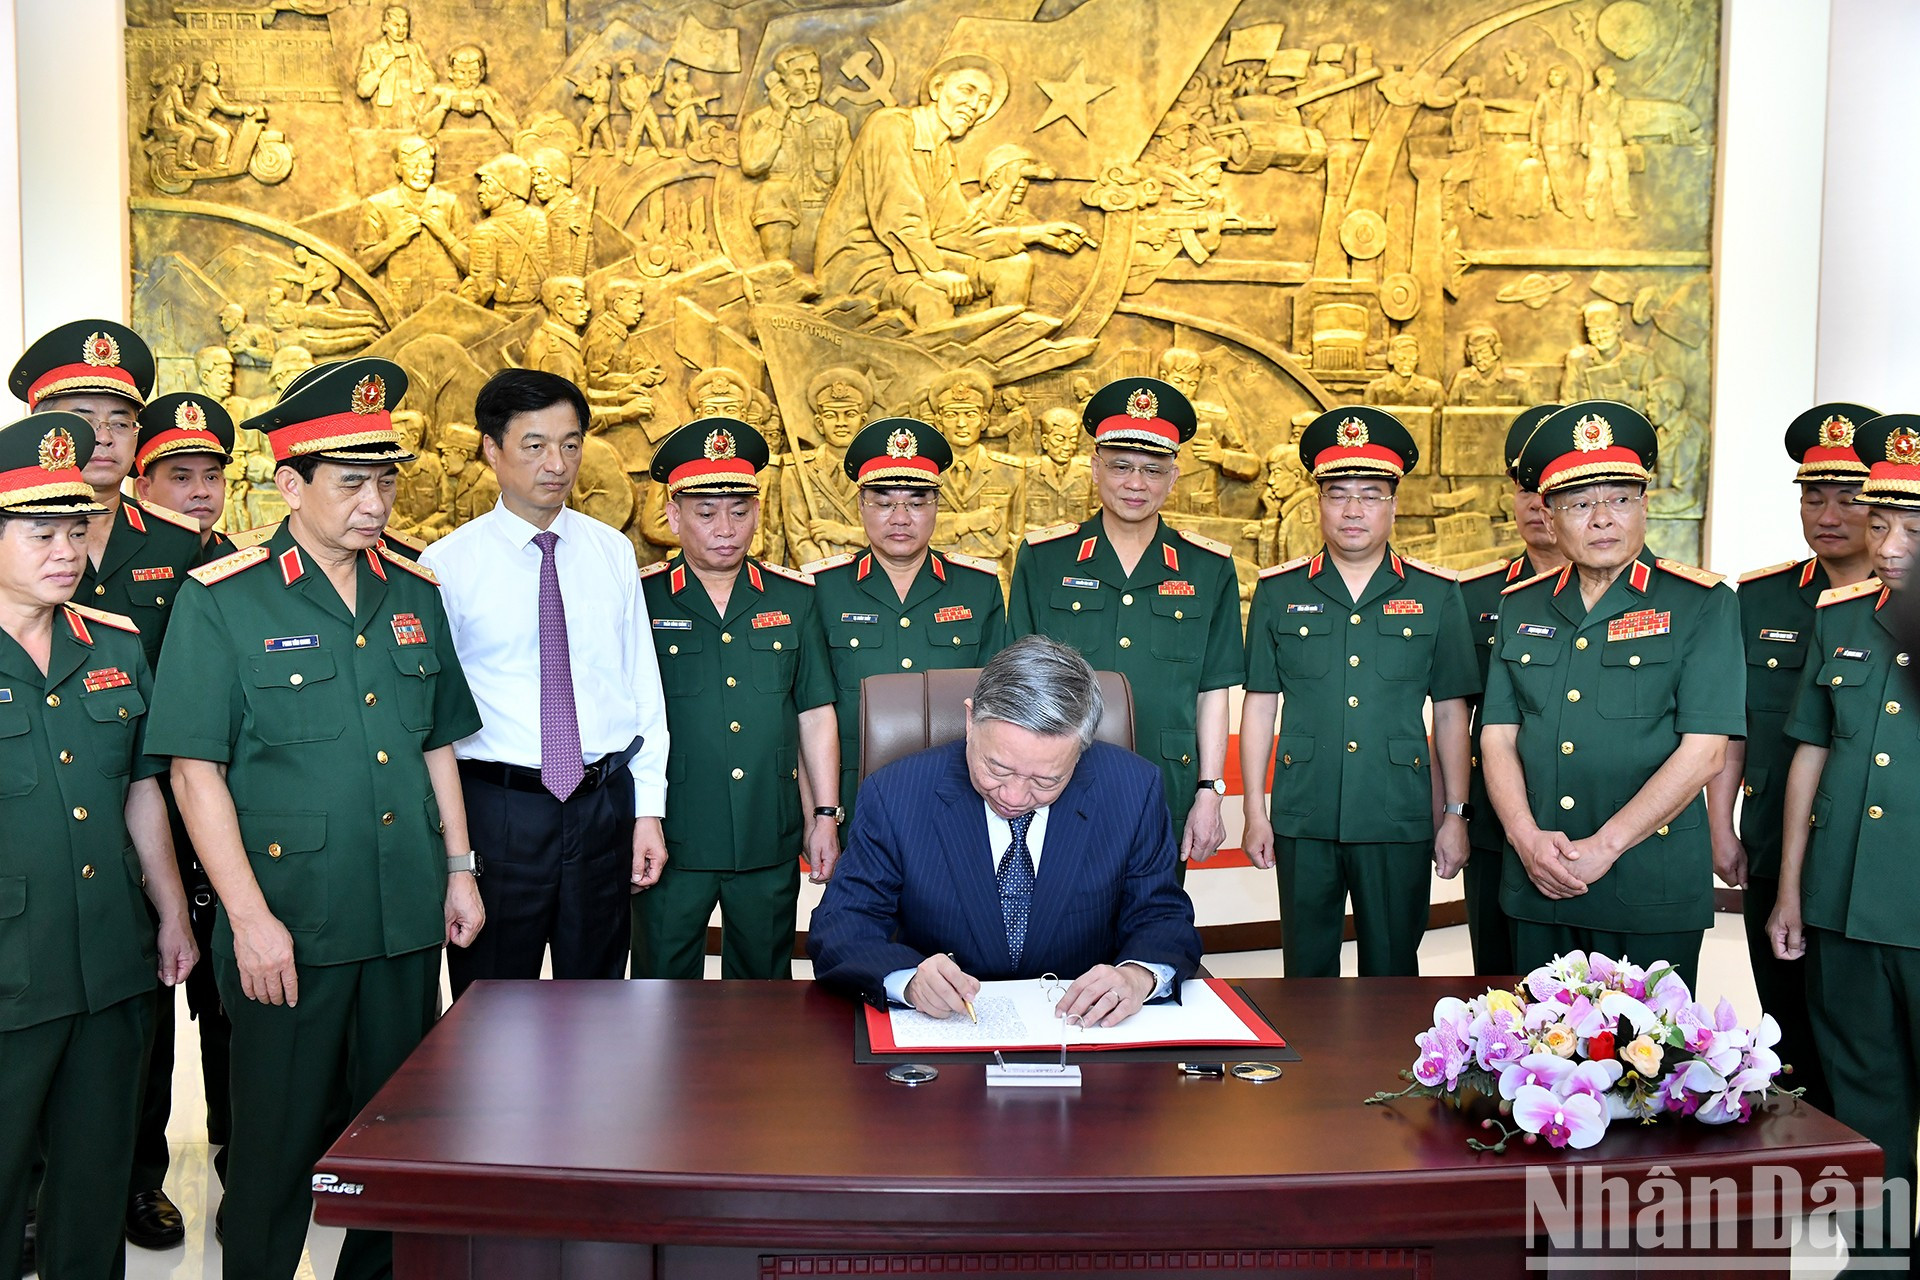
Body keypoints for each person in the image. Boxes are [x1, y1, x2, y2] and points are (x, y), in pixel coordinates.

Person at [146, 356, 485, 1280]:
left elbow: (435, 745)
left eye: (384, 480)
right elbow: (192, 772)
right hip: (290, 924)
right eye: (351, 483)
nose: (374, 503)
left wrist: (459, 869)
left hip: (403, 915)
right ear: (290, 482)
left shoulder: (416, 594)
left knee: (396, 1144)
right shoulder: (224, 599)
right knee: (276, 1150)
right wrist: (250, 922)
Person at [9, 320, 203, 1251]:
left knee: (112, 1111)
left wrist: (172, 901)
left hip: (128, 901)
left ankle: (127, 1188)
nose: (65, 549)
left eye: (74, 529)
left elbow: (148, 774)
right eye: (40, 531)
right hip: (19, 932)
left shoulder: (137, 610)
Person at [421, 370, 669, 997]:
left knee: (600, 1001)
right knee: (493, 1007)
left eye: (570, 443)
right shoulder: (445, 567)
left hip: (601, 804)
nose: (556, 463)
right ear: (491, 449)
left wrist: (647, 811)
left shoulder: (612, 551)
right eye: (534, 445)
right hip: (499, 811)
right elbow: (432, 720)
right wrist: (455, 856)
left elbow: (642, 687)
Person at [1481, 400, 1743, 992]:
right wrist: (1525, 839)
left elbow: (1705, 751)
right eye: (1578, 503)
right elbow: (1497, 735)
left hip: (1648, 885)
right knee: (1533, 1067)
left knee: (1650, 1071)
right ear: (1548, 516)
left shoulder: (1701, 603)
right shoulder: (1521, 605)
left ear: (1645, 506)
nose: (1602, 518)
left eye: (1620, 498)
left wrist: (1606, 846)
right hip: (1539, 880)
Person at [808, 637, 1202, 1022]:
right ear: (969, 719)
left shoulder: (1132, 790)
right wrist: (908, 981)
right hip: (946, 1037)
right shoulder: (896, 794)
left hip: (1081, 1035)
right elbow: (842, 925)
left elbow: (1161, 915)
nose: (1014, 796)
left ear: (1081, 752)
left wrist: (1138, 976)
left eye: (1046, 780)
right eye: (997, 769)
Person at [1240, 406, 1479, 977]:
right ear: (1318, 502)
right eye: (1338, 493)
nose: (1353, 510)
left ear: (1394, 504)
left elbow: (1451, 715)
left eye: (1370, 494)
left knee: (1394, 971)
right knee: (1305, 970)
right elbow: (1259, 705)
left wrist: (1455, 815)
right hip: (1305, 811)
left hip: (1397, 813)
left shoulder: (1436, 594)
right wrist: (1254, 809)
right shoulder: (1278, 592)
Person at [1770, 415, 1920, 1264]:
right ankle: (1876, 1261)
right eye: (1882, 521)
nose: (1888, 543)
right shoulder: (1841, 618)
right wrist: (1791, 888)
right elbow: (1810, 759)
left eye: (1912, 529)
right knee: (1867, 1104)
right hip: (1844, 903)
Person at [1708, 403, 1876, 1118]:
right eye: (1814, 496)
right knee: (1787, 1019)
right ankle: (1807, 1171)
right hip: (1776, 838)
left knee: (1865, 1035)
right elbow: (1729, 725)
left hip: (1873, 853)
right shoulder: (1760, 598)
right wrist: (1722, 826)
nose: (1829, 513)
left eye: (1849, 497)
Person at [1009, 377, 1243, 875]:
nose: (1135, 484)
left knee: (1153, 929)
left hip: (1167, 786)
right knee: (1059, 936)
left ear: (1173, 478)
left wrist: (1209, 790)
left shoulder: (1208, 569)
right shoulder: (1045, 559)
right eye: (1121, 466)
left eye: (1152, 470)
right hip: (1062, 783)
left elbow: (1213, 691)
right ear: (1095, 468)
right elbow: (1018, 687)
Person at [637, 417, 839, 980]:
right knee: (659, 992)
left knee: (763, 993)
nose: (726, 528)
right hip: (671, 836)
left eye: (740, 510)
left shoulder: (795, 599)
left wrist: (823, 815)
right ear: (674, 516)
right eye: (705, 513)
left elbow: (815, 713)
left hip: (765, 835)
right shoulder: (640, 600)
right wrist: (636, 819)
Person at [127, 390, 242, 1214]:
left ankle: (246, 1159)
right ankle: (138, 1180)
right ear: (141, 480)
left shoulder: (241, 568)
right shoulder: (83, 555)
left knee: (232, 1005)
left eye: (212, 476)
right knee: (140, 1020)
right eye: (179, 475)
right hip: (131, 815)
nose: (199, 492)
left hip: (221, 817)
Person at [802, 416, 1009, 828]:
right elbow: (809, 711)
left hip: (957, 796)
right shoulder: (820, 590)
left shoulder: (978, 588)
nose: (900, 518)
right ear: (860, 505)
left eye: (916, 503)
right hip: (855, 799)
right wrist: (819, 817)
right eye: (883, 502)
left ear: (937, 506)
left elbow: (997, 706)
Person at [815, 52, 1089, 329]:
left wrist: (1034, 234)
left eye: (984, 101)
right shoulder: (889, 125)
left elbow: (957, 230)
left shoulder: (943, 154)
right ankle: (941, 368)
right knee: (933, 297)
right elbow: (898, 214)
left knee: (1015, 266)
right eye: (967, 91)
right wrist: (935, 271)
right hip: (863, 262)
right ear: (937, 88)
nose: (975, 106)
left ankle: (1003, 348)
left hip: (906, 256)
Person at [1453, 405, 1566, 976]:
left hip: (1598, 827)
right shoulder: (1475, 596)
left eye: (1551, 491)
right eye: (1525, 490)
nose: (1537, 506)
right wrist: (1453, 813)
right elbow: (1457, 720)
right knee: (1497, 985)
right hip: (1498, 827)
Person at [739, 44, 851, 263]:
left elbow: (849, 184)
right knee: (773, 188)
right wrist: (779, 115)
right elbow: (752, 164)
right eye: (799, 73)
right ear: (780, 82)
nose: (810, 80)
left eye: (814, 71)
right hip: (781, 226)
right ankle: (777, 273)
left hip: (826, 223)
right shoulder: (758, 121)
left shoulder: (836, 123)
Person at [354, 136, 470, 316]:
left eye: (427, 165)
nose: (420, 172)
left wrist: (445, 236)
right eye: (412, 165)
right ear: (398, 169)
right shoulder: (378, 206)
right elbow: (361, 266)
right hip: (399, 310)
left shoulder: (450, 204)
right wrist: (393, 242)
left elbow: (473, 266)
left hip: (445, 307)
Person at [781, 367, 871, 566]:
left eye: (850, 414)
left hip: (873, 577)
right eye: (831, 415)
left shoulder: (879, 471)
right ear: (819, 424)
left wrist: (847, 534)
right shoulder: (797, 471)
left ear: (863, 421)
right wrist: (831, 576)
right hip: (819, 580)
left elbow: (890, 536)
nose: (841, 423)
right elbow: (798, 539)